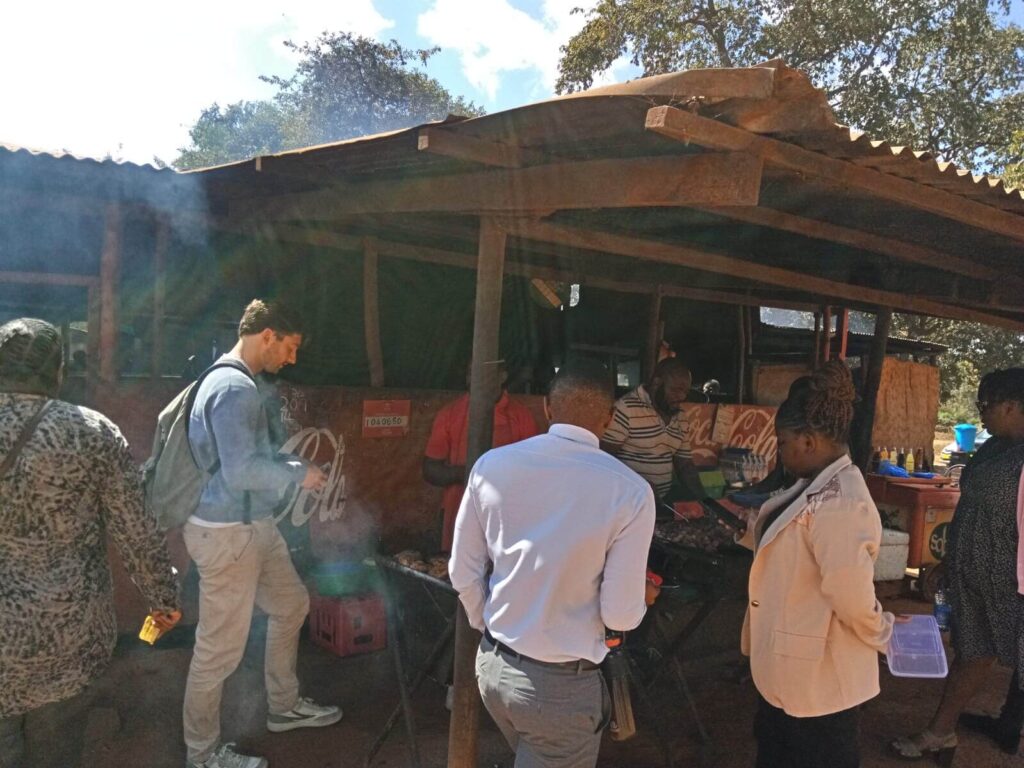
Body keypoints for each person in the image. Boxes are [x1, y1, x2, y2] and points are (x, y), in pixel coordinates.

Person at [449, 360, 656, 768]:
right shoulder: (630, 491)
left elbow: (462, 570)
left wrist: (488, 625)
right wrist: (643, 599)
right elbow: (621, 614)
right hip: (560, 688)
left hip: (494, 669)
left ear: (547, 408)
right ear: (610, 419)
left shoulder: (492, 465)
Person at [0, 318, 180, 768]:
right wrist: (163, 597)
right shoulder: (92, 432)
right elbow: (135, 530)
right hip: (66, 642)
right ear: (59, 371)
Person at [183, 300, 339, 768]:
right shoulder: (234, 387)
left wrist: (293, 468)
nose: (291, 360)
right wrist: (297, 474)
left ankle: (284, 706)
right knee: (217, 652)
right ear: (267, 335)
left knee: (292, 604)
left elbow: (249, 462)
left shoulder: (236, 381)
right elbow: (241, 472)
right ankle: (202, 754)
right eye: (289, 348)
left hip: (252, 525)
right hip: (227, 532)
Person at [739, 362, 894, 768]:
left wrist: (883, 634)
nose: (781, 451)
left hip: (819, 683)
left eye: (784, 441)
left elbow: (849, 594)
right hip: (790, 669)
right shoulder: (813, 484)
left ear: (808, 441)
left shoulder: (841, 501)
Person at [892, 368, 1024, 762]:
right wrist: (947, 561)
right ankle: (942, 731)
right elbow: (971, 507)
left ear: (1013, 405)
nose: (981, 413)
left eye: (986, 405)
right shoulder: (995, 447)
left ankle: (955, 729)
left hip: (1011, 581)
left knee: (994, 653)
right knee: (972, 651)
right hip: (974, 574)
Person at [423, 359, 539, 552]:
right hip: (458, 510)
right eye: (470, 372)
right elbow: (429, 469)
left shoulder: (521, 416)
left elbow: (532, 472)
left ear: (502, 376)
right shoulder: (450, 414)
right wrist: (469, 474)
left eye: (481, 372)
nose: (472, 378)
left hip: (506, 515)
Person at [601, 357, 703, 502]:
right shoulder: (626, 409)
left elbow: (685, 465)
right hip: (628, 501)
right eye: (676, 390)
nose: (682, 396)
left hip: (662, 501)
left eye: (685, 391)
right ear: (656, 383)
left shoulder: (680, 417)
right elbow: (604, 459)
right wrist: (640, 484)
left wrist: (704, 501)